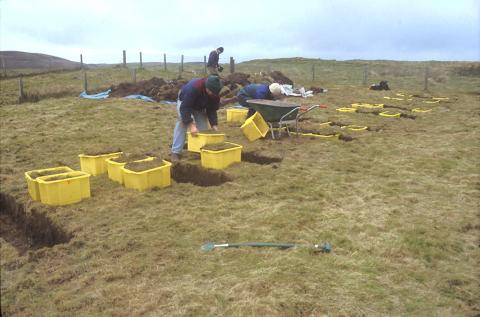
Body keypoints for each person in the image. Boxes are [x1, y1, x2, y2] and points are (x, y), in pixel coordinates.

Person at [170, 75, 223, 162]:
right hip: (184, 102)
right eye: (209, 91)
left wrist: (214, 124)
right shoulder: (194, 88)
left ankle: (198, 149)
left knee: (203, 129)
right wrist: (191, 125)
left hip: (199, 106)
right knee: (182, 123)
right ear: (206, 86)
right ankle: (175, 152)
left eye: (213, 93)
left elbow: (212, 109)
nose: (211, 94)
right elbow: (185, 107)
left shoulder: (214, 94)